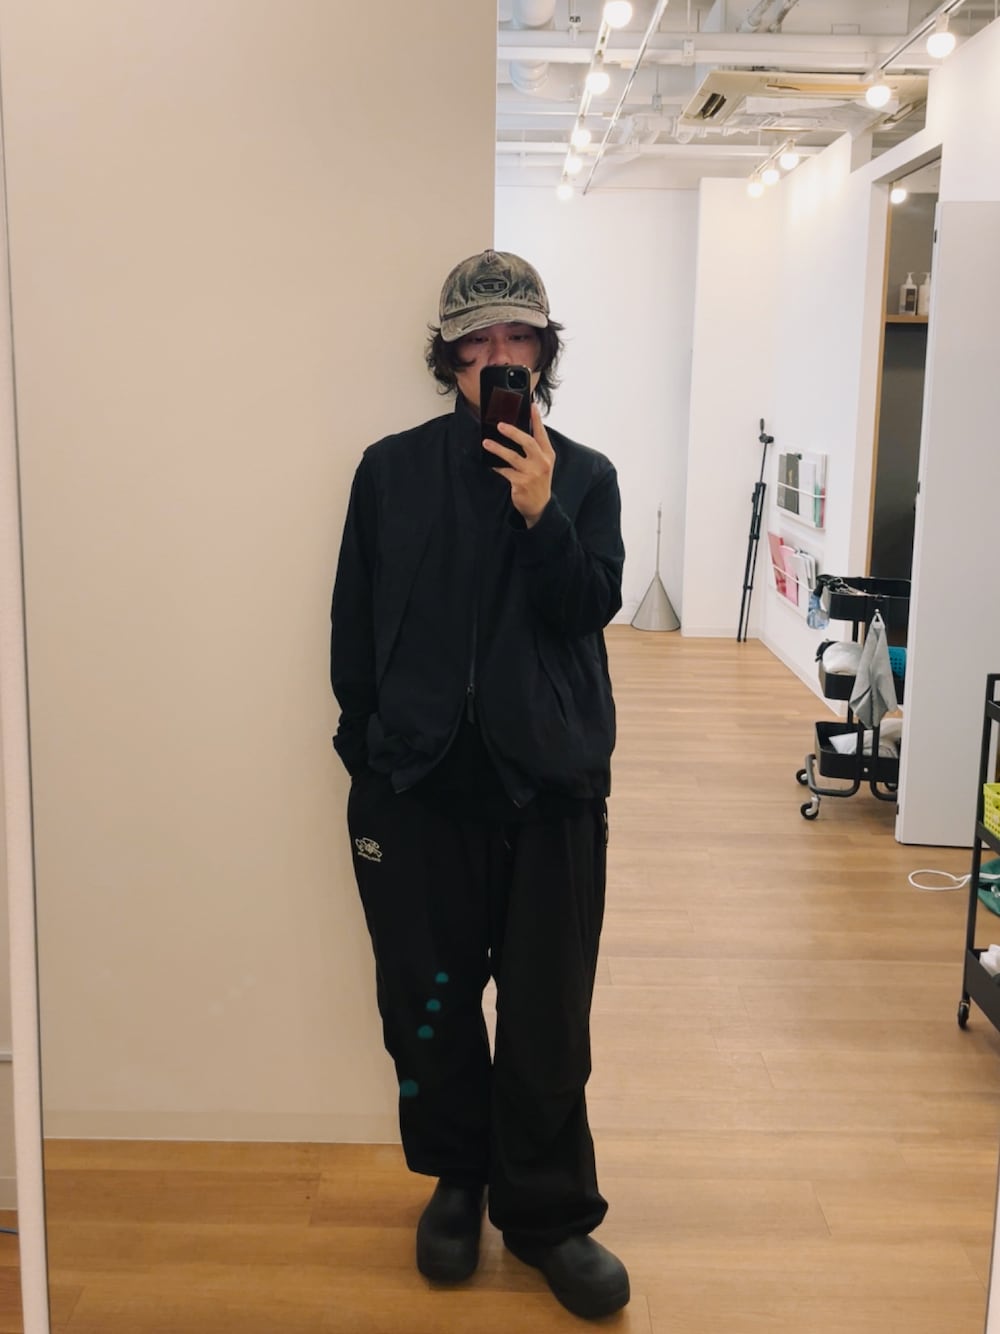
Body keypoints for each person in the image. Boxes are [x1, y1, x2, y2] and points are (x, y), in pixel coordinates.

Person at [329, 249, 627, 1320]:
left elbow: (586, 607)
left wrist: (542, 512)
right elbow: (354, 621)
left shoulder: (583, 475)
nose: (499, 356)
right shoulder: (390, 472)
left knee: (548, 1014)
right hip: (418, 788)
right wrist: (367, 751)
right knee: (429, 1006)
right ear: (450, 355)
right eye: (479, 340)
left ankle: (547, 1214)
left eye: (519, 339)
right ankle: (458, 1178)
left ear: (543, 354)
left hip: (548, 792)